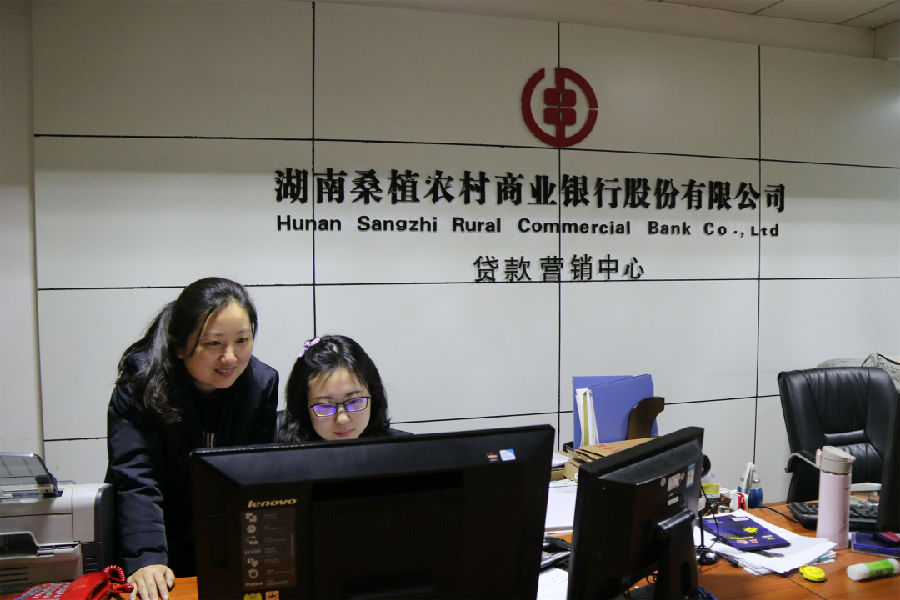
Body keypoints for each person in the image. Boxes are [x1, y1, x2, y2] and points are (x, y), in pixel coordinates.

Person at [105, 277, 278, 600]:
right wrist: (147, 558)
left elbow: (256, 478)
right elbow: (137, 477)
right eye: (214, 343)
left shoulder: (261, 385)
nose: (230, 357)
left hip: (219, 547)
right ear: (180, 345)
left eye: (242, 340)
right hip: (150, 538)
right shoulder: (141, 384)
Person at [277, 334, 405, 442]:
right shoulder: (283, 457)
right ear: (303, 409)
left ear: (373, 397)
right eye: (325, 406)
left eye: (354, 401)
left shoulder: (400, 451)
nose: (342, 419)